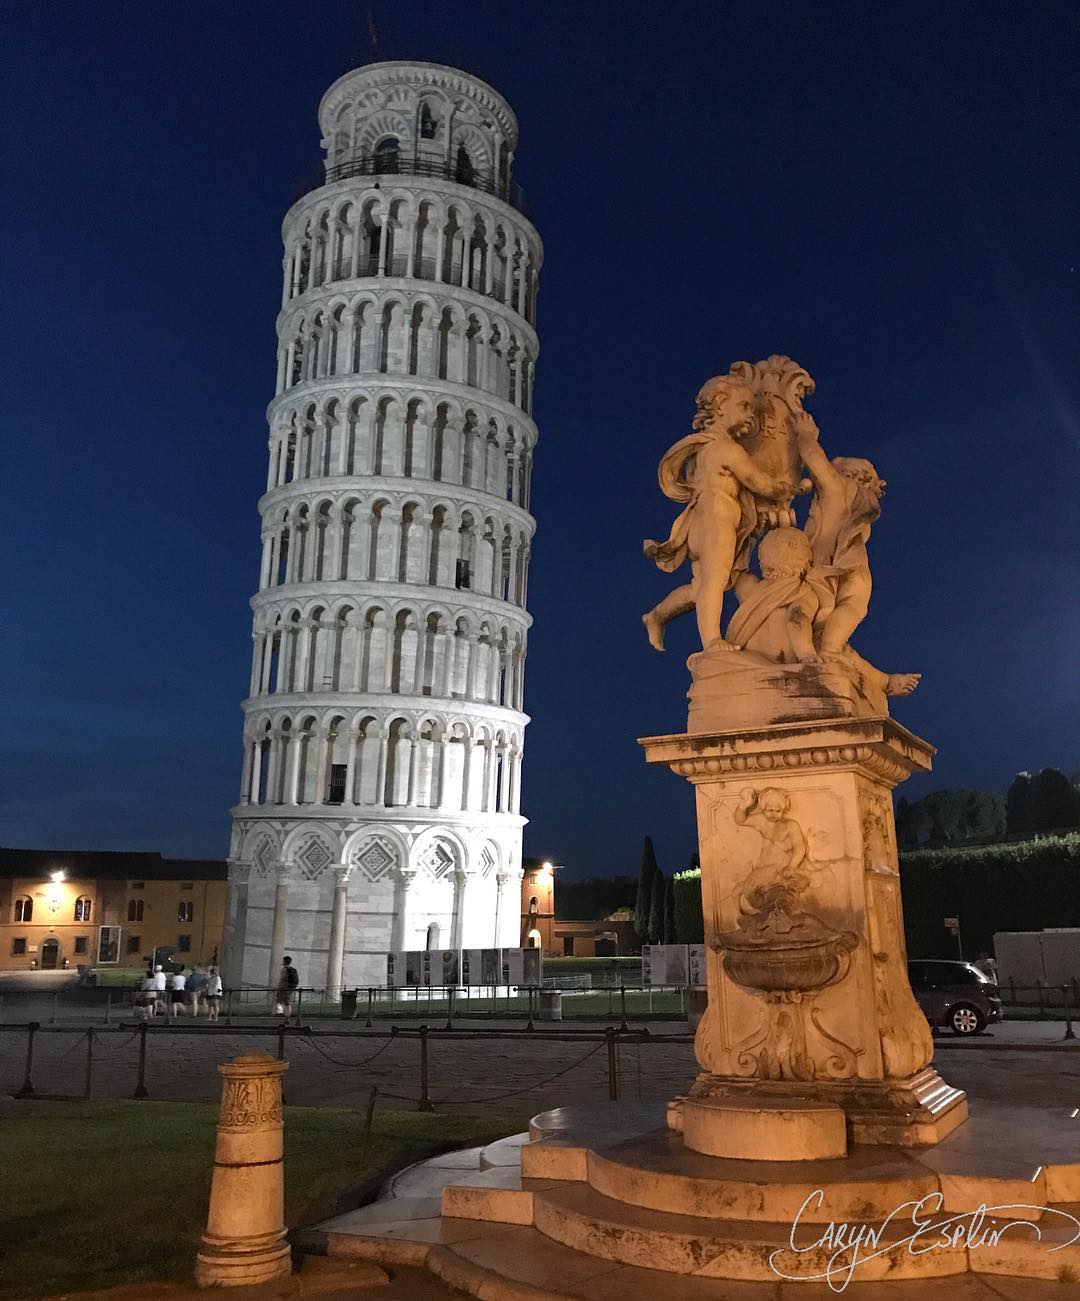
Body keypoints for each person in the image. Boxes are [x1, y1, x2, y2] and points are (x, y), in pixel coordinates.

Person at [643, 375, 797, 653]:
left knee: (701, 586)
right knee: (713, 583)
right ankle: (712, 641)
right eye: (744, 406)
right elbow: (758, 482)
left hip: (703, 525)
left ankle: (657, 615)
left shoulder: (702, 450)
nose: (750, 414)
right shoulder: (725, 449)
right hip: (717, 522)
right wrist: (784, 488)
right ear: (720, 405)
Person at [277, 956, 300, 1023]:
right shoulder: (291, 969)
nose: (282, 962)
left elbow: (283, 980)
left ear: (284, 961)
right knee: (285, 1002)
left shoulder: (284, 969)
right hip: (290, 988)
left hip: (285, 988)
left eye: (283, 960)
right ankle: (286, 1016)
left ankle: (286, 1017)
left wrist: (279, 988)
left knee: (285, 1002)